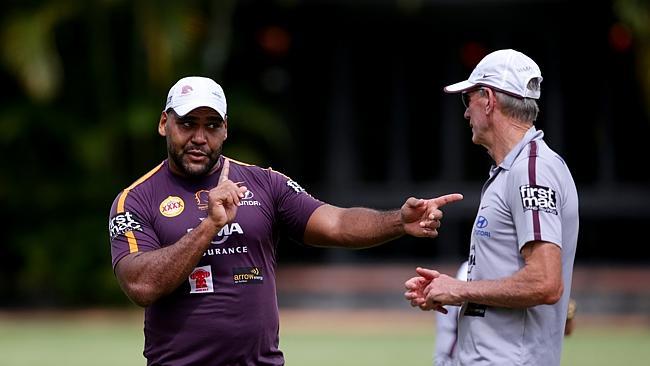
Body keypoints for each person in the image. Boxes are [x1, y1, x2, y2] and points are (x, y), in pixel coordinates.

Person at [108, 76, 463, 366]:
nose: (199, 137)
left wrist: (398, 221)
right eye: (187, 124)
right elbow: (142, 286)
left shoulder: (264, 183)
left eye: (211, 125)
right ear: (164, 124)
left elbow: (336, 223)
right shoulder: (136, 199)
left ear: (226, 130)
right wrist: (208, 226)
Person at [404, 49, 579, 366]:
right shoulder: (516, 170)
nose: (467, 112)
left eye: (468, 99)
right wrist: (448, 289)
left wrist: (459, 290)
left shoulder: (532, 170)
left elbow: (545, 282)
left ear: (488, 99)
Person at [432, 261, 577, 366]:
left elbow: (566, 330)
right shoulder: (467, 270)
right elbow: (448, 330)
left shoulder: (518, 275)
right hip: (468, 352)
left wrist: (564, 311)